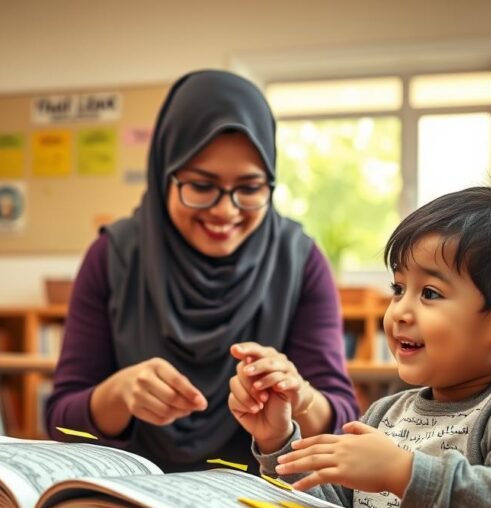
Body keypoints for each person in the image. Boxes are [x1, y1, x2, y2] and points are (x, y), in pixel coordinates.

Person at [234, 182, 491, 508]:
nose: (400, 312)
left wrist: (403, 473)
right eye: (398, 287)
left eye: (430, 293)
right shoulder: (385, 414)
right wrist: (279, 442)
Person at [44, 70, 359, 472]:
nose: (225, 211)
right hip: (130, 504)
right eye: (201, 185)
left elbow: (344, 421)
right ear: (165, 176)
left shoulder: (300, 262)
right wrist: (119, 393)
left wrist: (300, 396)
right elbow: (59, 424)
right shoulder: (113, 256)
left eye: (249, 188)